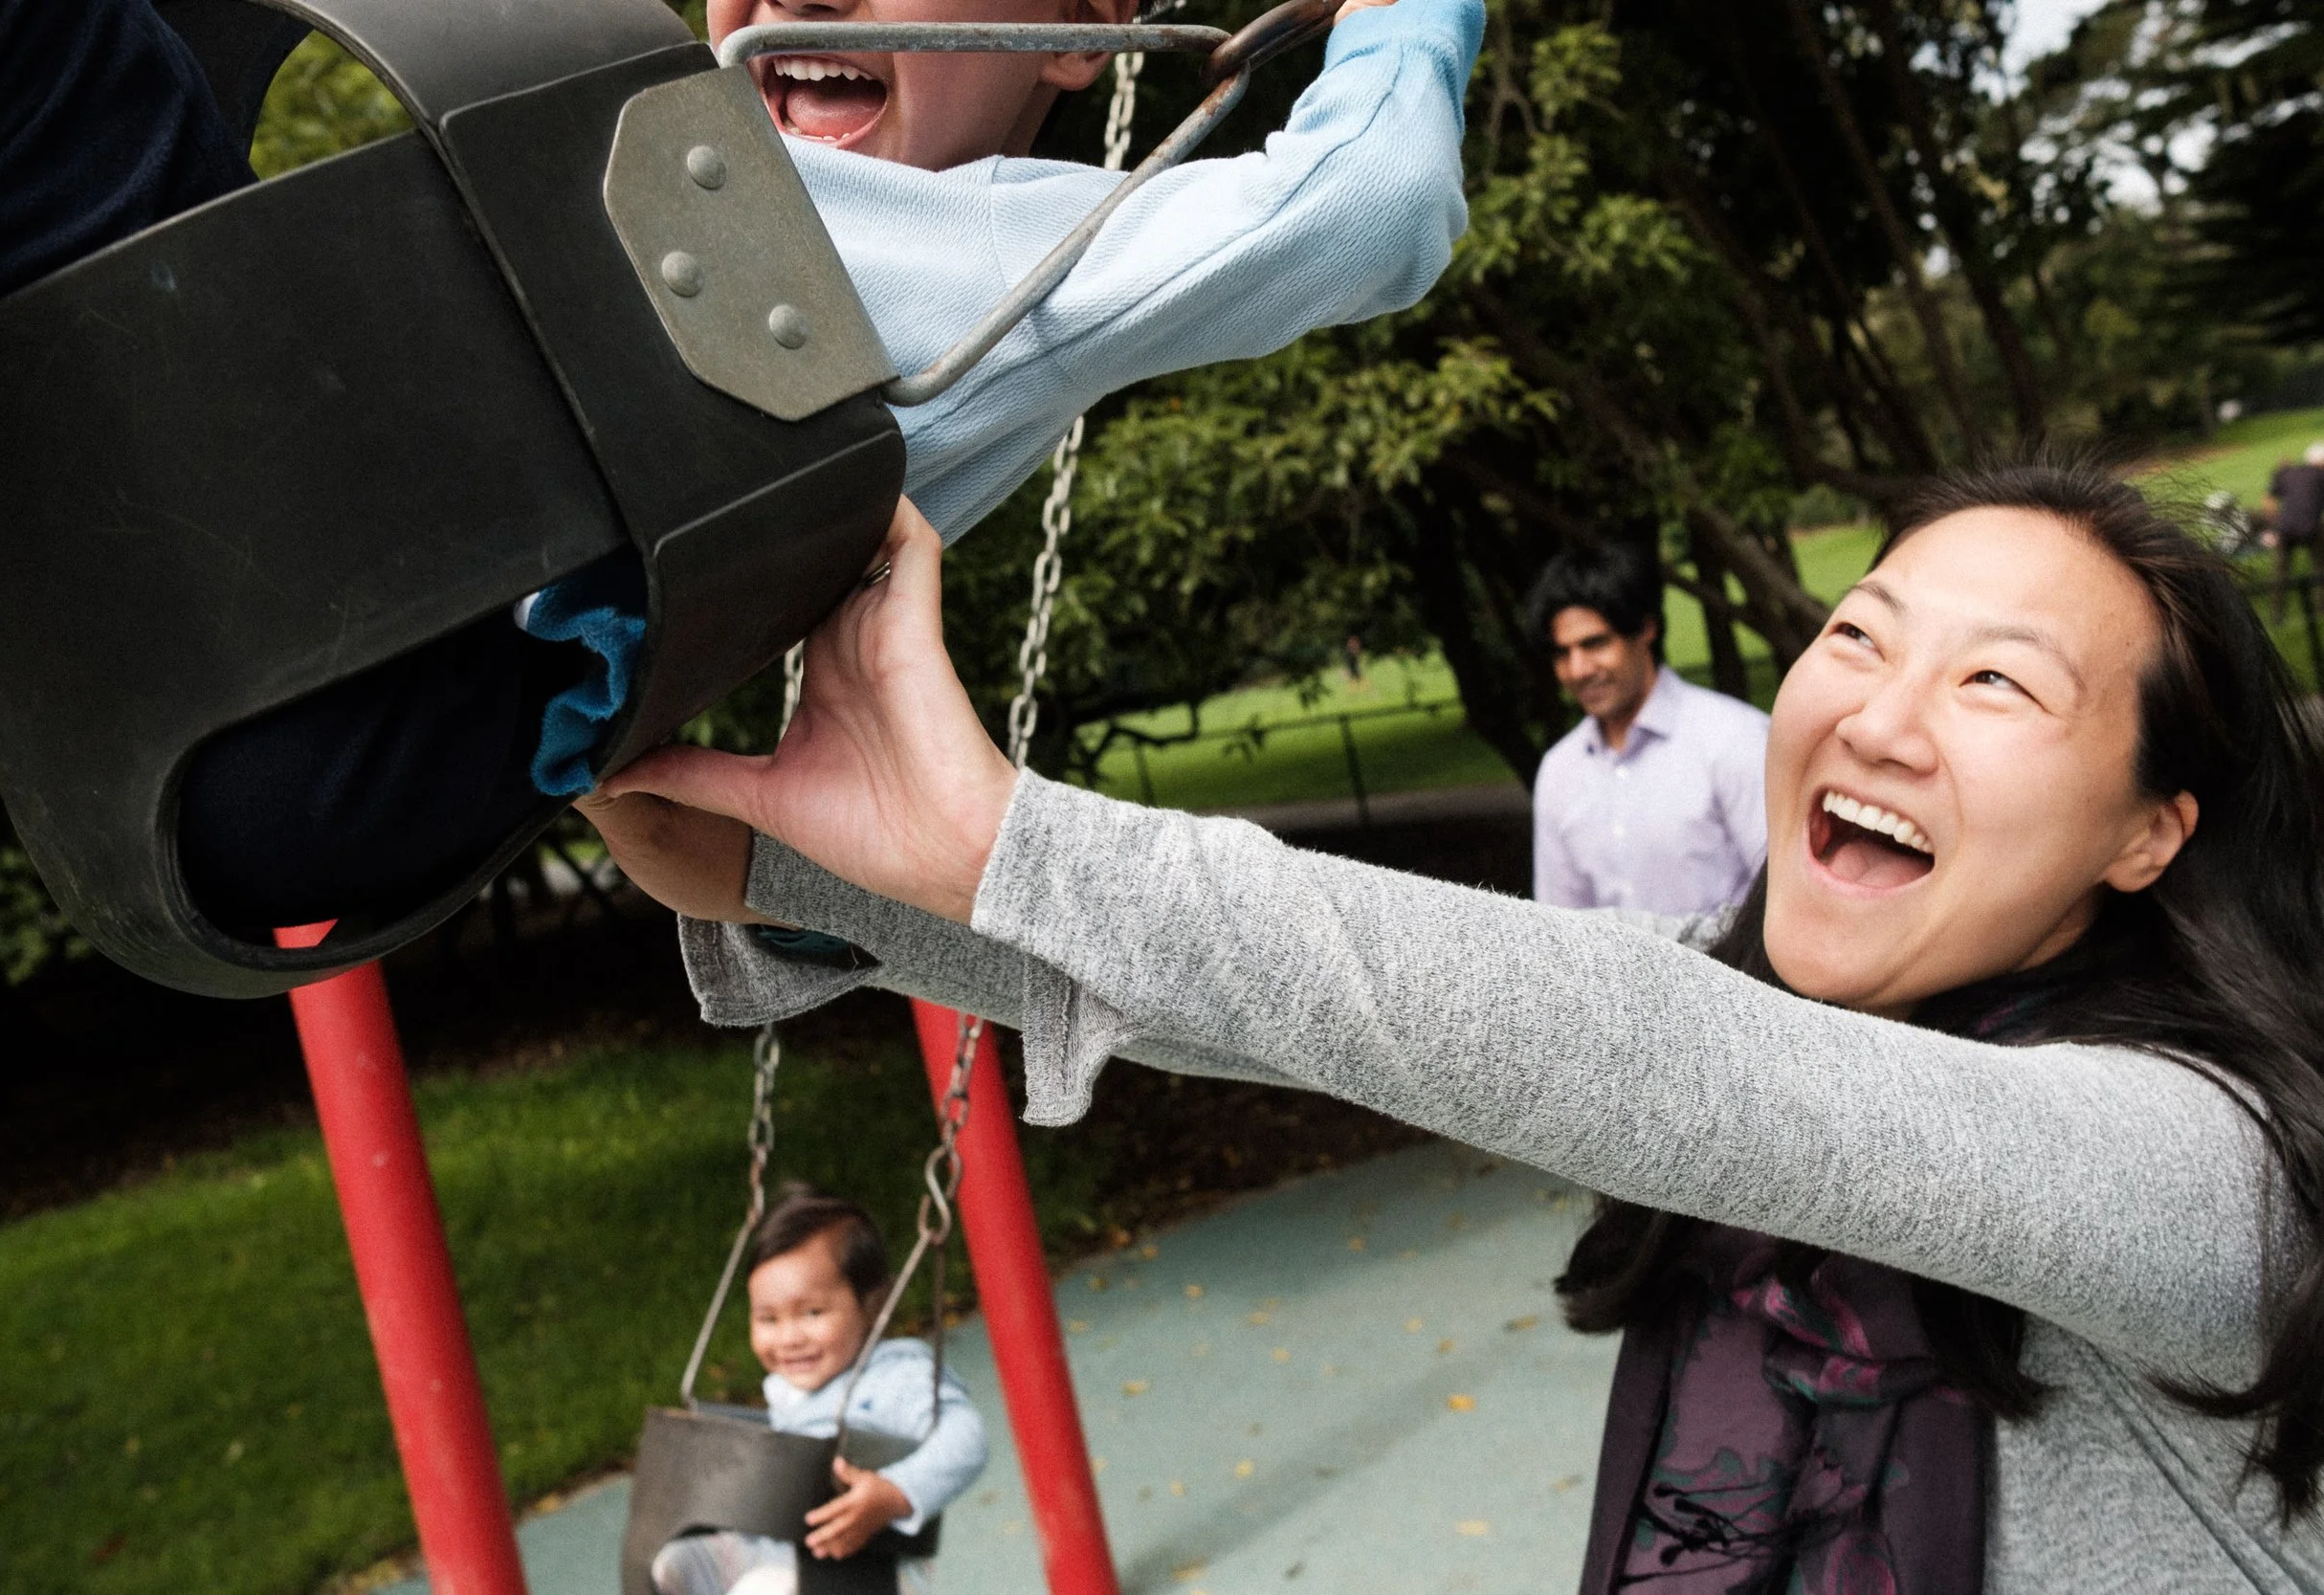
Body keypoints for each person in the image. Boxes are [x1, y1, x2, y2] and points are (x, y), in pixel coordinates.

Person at [581, 463, 2324, 1584]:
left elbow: (1681, 1059)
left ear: (2151, 827)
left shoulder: (2201, 1160)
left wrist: (1010, 841)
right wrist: (794, 875)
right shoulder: (1725, 1005)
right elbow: (1304, 1023)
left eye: (1997, 680)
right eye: (1859, 636)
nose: (1880, 715)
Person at [0, 0, 1472, 934]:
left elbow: (1371, 199)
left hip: (314, 688)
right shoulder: (605, 167)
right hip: (216, 713)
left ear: (1075, 45)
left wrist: (1406, 21)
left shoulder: (1020, 251)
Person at [651, 1185, 987, 1595]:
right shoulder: (789, 1392)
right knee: (673, 1562)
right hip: (780, 1554)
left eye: (812, 1312)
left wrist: (897, 1492)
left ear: (875, 1304)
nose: (789, 1338)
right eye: (768, 1319)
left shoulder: (895, 1378)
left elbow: (967, 1438)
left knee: (762, 1589)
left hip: (867, 1573)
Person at [1524, 543, 1768, 914]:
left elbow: (1786, 901)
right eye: (1562, 653)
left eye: (1595, 643)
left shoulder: (1735, 740)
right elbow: (1561, 926)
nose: (1578, 670)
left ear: (1645, 629)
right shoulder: (1560, 772)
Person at [2263, 443, 2324, 621]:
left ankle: (2277, 614)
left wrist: (2273, 526)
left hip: (2284, 528)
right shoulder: (2321, 475)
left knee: (2280, 573)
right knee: (2320, 568)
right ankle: (2320, 610)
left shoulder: (2289, 472)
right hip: (2311, 529)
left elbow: (2268, 500)